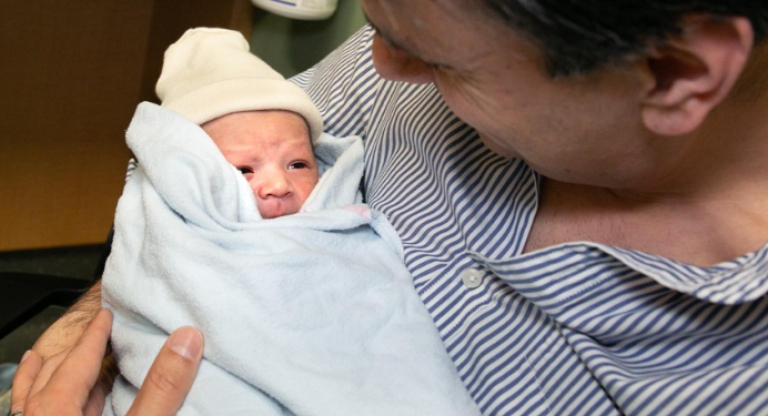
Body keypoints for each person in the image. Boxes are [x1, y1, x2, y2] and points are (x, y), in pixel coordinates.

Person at [10, 0, 768, 415]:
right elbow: (194, 185)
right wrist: (97, 322)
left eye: (439, 60)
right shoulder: (402, 57)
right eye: (377, 26)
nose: (382, 65)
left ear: (675, 72)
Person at [102, 27, 480, 416]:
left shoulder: (341, 224)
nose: (279, 185)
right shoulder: (184, 237)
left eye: (298, 164)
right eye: (244, 169)